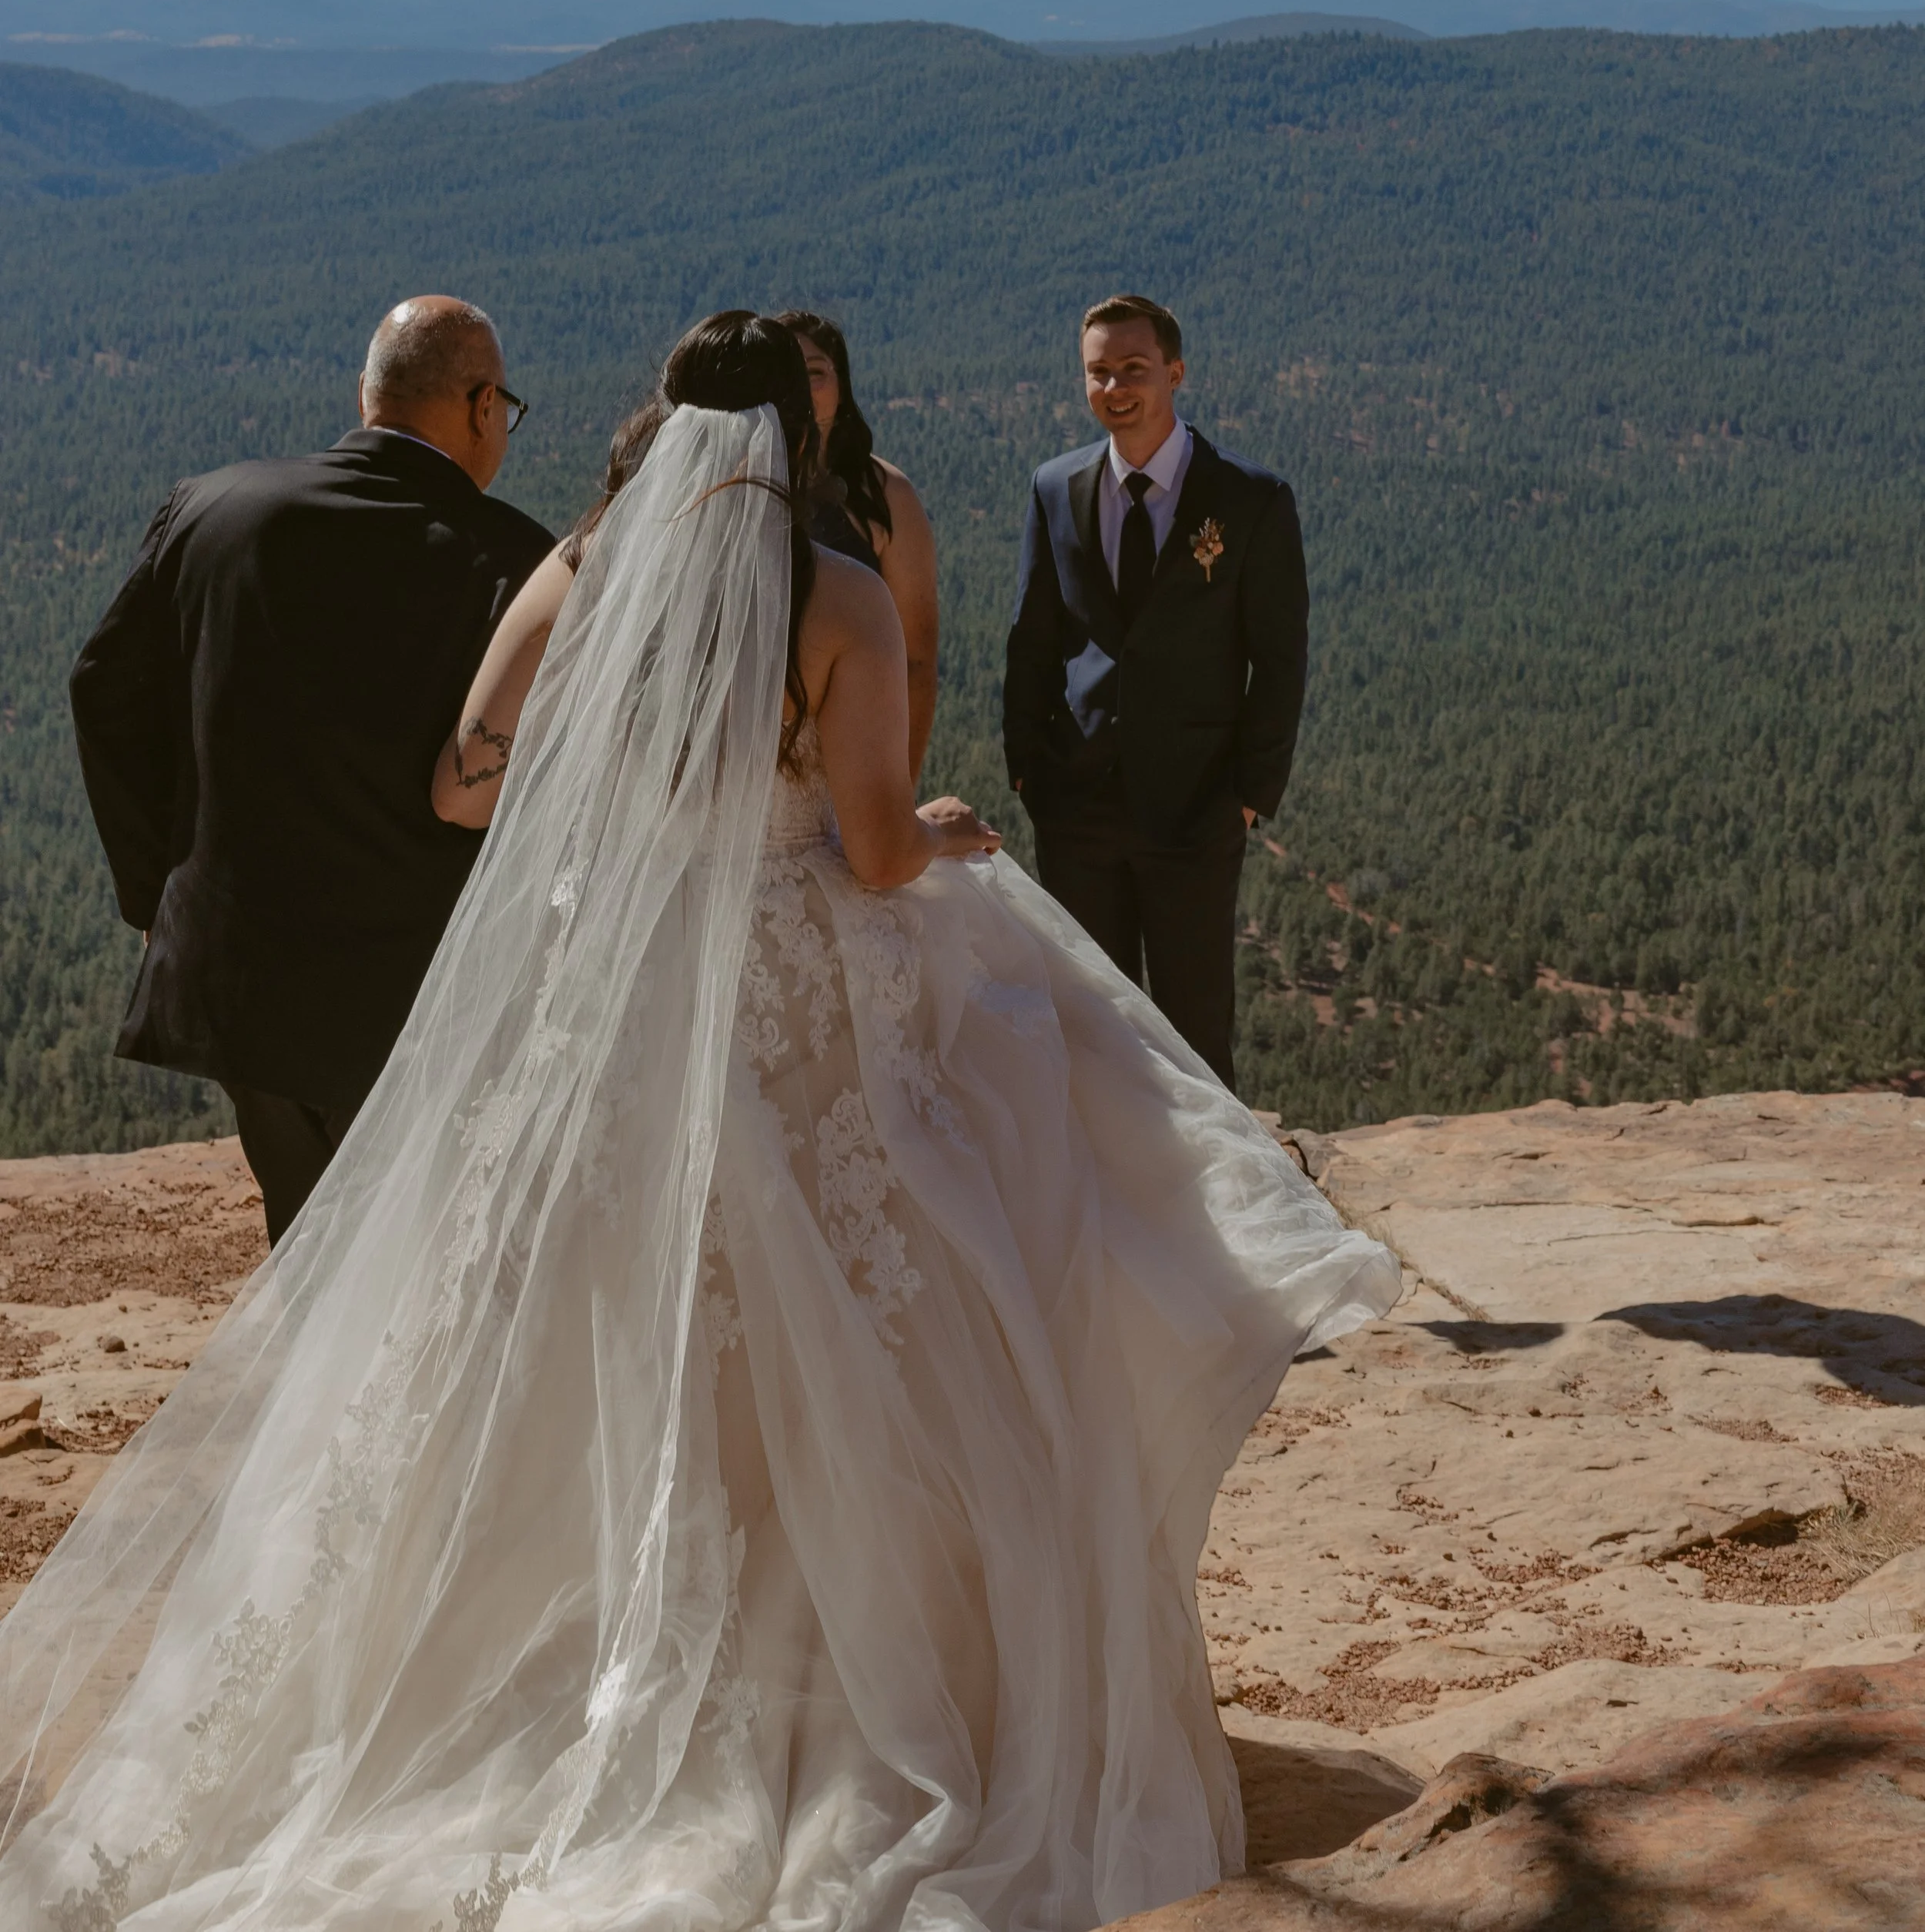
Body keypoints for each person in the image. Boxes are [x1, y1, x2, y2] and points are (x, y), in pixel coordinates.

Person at [0, 312, 1397, 1932]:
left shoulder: (587, 570)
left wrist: (606, 801)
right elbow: (870, 849)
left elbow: (466, 775)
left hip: (631, 995)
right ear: (792, 444)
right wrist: (941, 828)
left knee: (618, 1332)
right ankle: (846, 1688)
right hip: (795, 1004)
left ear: (659, 425)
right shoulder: (835, 595)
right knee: (859, 1326)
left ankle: (593, 1663)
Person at [67, 295, 552, 1244]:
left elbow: (104, 695)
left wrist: (157, 896)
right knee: (420, 1268)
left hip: (245, 978)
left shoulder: (212, 509)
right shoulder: (514, 563)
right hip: (423, 993)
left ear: (365, 395)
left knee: (307, 1249)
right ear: (483, 405)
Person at [1003, 293, 1310, 1090]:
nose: (1114, 387)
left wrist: (1247, 796)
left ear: (1174, 373)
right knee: (1085, 1025)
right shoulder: (1055, 487)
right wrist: (1026, 770)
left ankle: (1211, 1208)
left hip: (1196, 810)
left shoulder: (1250, 501)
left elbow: (1278, 661)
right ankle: (1099, 1201)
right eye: (1097, 372)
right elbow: (1033, 640)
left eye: (1132, 369)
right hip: (1076, 806)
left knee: (1194, 1032)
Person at [773, 308, 940, 778]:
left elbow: (918, 660)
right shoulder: (739, 491)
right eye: (786, 373)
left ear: (841, 385)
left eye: (816, 372)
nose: (802, 388)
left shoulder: (887, 497)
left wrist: (898, 787)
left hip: (859, 753)